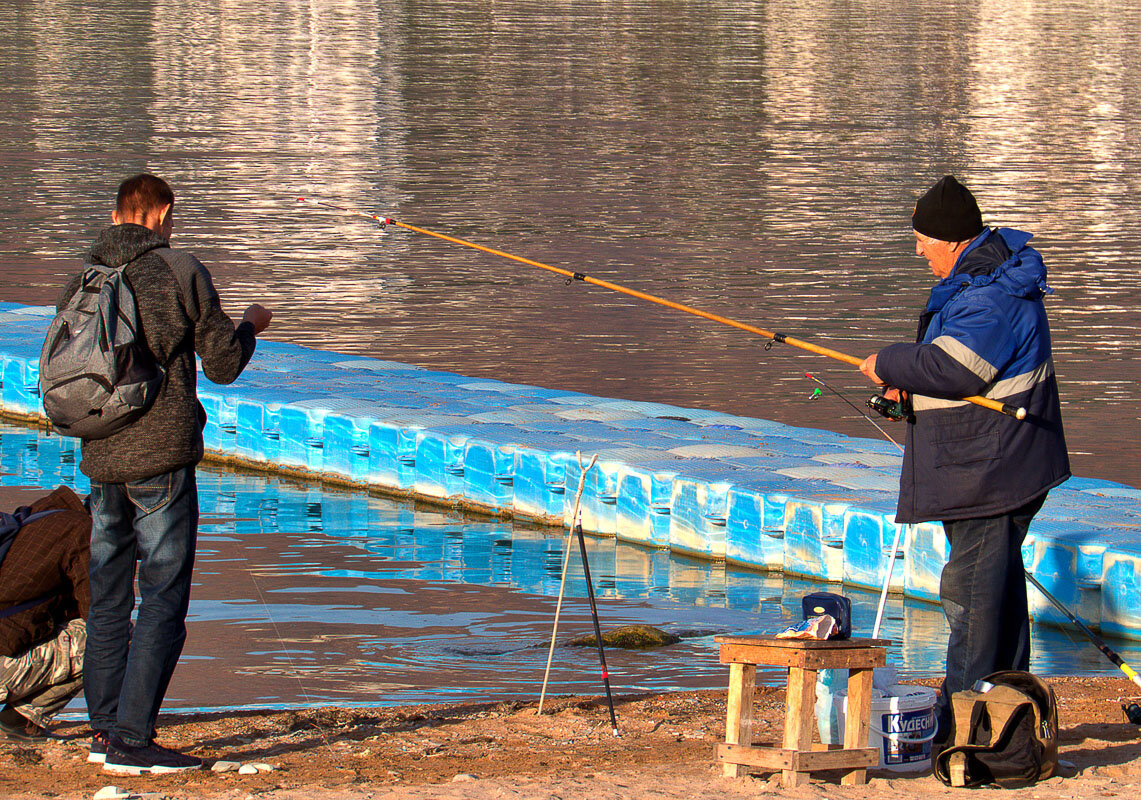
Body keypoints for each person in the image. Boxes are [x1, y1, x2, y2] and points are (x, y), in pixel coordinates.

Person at [57, 174, 272, 774]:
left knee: (107, 598)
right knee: (163, 597)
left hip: (100, 456)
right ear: (162, 213)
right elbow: (224, 363)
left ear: (119, 212)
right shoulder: (179, 270)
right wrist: (252, 324)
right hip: (161, 461)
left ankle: (102, 732)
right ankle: (131, 738)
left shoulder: (84, 277)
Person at [859, 175, 1070, 743]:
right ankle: (1010, 726)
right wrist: (909, 392)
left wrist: (891, 361)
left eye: (923, 239)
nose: (919, 250)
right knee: (994, 593)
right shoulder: (981, 281)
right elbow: (970, 374)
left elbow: (957, 369)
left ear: (951, 241)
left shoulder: (988, 294)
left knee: (971, 598)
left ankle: (967, 732)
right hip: (994, 462)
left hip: (993, 470)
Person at [0, 486, 91, 743]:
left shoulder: (38, 515)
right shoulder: (81, 531)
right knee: (116, 635)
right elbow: (100, 613)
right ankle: (22, 719)